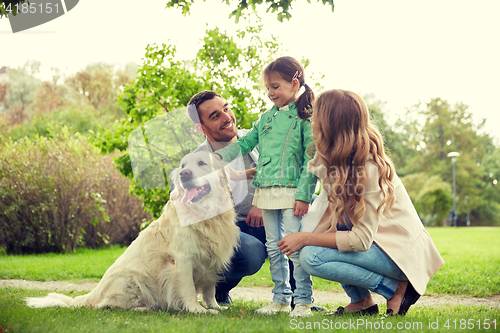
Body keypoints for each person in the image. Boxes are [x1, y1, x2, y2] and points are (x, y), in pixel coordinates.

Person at [277, 89, 445, 316]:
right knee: (325, 235)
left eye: (316, 116)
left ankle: (396, 289)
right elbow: (326, 210)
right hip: (377, 245)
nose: (311, 121)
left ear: (330, 124)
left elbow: (361, 239)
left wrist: (305, 238)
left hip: (397, 255)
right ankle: (362, 302)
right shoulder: (335, 158)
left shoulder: (369, 168)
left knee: (312, 256)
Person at [214, 57, 318, 317]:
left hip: (293, 193)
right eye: (268, 88)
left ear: (294, 84)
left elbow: (311, 161)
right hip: (266, 191)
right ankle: (280, 299)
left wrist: (305, 195)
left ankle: (303, 300)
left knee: (293, 246)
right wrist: (218, 158)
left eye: (275, 87)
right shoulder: (265, 119)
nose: (271, 93)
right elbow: (244, 143)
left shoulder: (305, 120)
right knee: (273, 247)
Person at [186, 90, 267, 307]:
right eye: (215, 116)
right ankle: (218, 290)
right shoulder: (198, 160)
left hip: (269, 215)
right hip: (228, 230)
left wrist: (261, 201)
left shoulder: (257, 139)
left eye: (226, 108)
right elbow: (186, 205)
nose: (227, 117)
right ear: (201, 128)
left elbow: (283, 172)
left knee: (309, 211)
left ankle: (298, 300)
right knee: (251, 252)